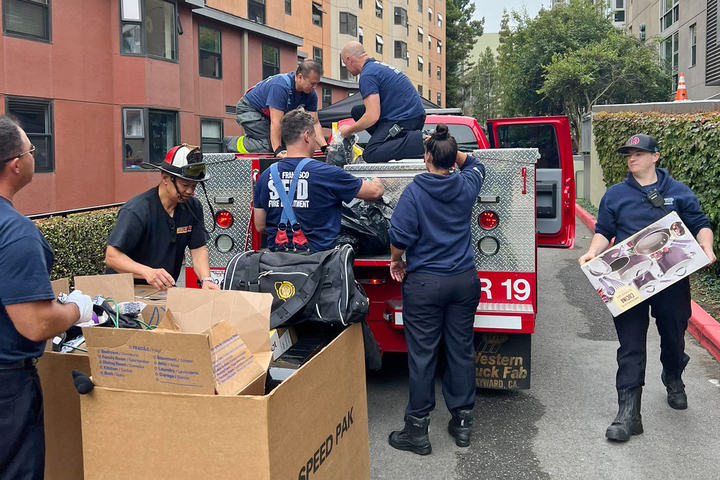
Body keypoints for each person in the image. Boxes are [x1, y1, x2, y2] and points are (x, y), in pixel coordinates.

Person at [578, 134, 716, 443]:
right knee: (630, 344)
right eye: (628, 153)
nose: (632, 158)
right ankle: (628, 414)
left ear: (655, 156)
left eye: (639, 153)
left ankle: (673, 374)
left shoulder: (679, 192)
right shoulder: (615, 195)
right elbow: (604, 231)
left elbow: (700, 223)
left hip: (671, 279)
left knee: (673, 334)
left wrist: (706, 246)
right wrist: (592, 251)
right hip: (629, 281)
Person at [0, 115, 94, 479]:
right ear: (17, 163)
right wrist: (76, 309)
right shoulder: (16, 233)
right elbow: (36, 324)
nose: (33, 156)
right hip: (7, 389)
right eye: (31, 149)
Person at [386, 124, 485, 455]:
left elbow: (399, 238)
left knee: (423, 354)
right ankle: (463, 424)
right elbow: (476, 163)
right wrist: (448, 147)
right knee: (461, 350)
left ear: (426, 157)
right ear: (450, 159)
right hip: (463, 281)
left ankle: (417, 430)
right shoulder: (466, 183)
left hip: (425, 284)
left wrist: (397, 262)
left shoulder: (414, 192)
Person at [253, 108, 384, 252]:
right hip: (317, 265)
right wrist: (374, 178)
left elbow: (260, 226)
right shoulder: (327, 173)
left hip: (278, 264)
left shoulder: (266, 175)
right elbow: (375, 192)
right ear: (307, 136)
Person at [105, 144, 221, 291]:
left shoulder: (193, 207)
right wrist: (147, 272)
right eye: (185, 184)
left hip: (162, 291)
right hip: (126, 291)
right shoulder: (137, 210)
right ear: (165, 178)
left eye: (194, 186)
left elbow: (198, 249)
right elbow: (112, 257)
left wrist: (206, 279)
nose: (190, 191)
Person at [337, 41, 426, 163]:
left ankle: (420, 142)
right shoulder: (376, 67)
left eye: (345, 63)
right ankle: (386, 143)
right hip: (407, 114)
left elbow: (372, 116)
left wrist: (350, 130)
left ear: (349, 59)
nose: (345, 67)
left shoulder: (368, 75)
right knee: (357, 111)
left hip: (406, 119)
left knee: (370, 153)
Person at [225, 60, 328, 157]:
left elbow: (314, 123)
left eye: (317, 83)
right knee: (268, 145)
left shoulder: (311, 94)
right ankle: (232, 143)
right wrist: (278, 150)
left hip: (268, 113)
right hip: (250, 108)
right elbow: (276, 122)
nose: (315, 87)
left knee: (289, 141)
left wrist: (324, 147)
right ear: (300, 77)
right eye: (312, 83)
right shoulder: (280, 86)